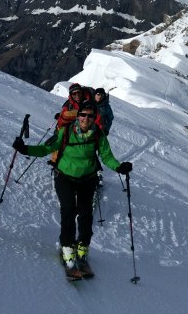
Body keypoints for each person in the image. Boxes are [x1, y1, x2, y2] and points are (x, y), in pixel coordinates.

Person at [13, 100, 132, 280]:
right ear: (78, 115)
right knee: (68, 210)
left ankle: (82, 249)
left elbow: (107, 157)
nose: (86, 118)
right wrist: (25, 149)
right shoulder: (66, 131)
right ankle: (67, 248)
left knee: (86, 214)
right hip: (64, 177)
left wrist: (119, 167)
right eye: (83, 114)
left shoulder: (98, 135)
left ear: (94, 118)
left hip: (88, 179)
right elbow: (47, 148)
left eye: (90, 116)